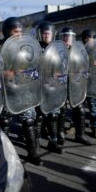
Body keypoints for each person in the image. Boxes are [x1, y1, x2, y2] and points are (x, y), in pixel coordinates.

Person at [0, 17, 42, 165]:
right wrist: (3, 73)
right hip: (6, 92)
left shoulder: (26, 46)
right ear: (7, 32)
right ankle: (6, 156)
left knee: (28, 121)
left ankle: (32, 152)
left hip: (24, 90)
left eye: (20, 31)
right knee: (5, 123)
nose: (18, 34)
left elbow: (34, 63)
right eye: (15, 31)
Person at [35, 21, 64, 154]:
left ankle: (53, 141)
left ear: (53, 34)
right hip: (39, 88)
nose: (46, 35)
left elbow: (62, 66)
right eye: (44, 33)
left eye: (48, 33)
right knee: (39, 116)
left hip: (53, 87)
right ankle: (35, 142)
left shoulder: (58, 48)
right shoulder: (34, 48)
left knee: (53, 115)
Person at [60, 27, 91, 145]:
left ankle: (80, 135)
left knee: (80, 110)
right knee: (62, 109)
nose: (67, 39)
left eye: (69, 36)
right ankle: (60, 134)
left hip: (75, 84)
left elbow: (84, 65)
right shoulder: (57, 50)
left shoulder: (78, 50)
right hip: (61, 84)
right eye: (65, 36)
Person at [82, 28, 96, 138]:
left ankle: (95, 127)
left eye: (91, 37)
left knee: (95, 107)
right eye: (87, 37)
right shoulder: (80, 50)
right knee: (78, 106)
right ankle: (76, 126)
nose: (89, 40)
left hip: (94, 83)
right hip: (81, 83)